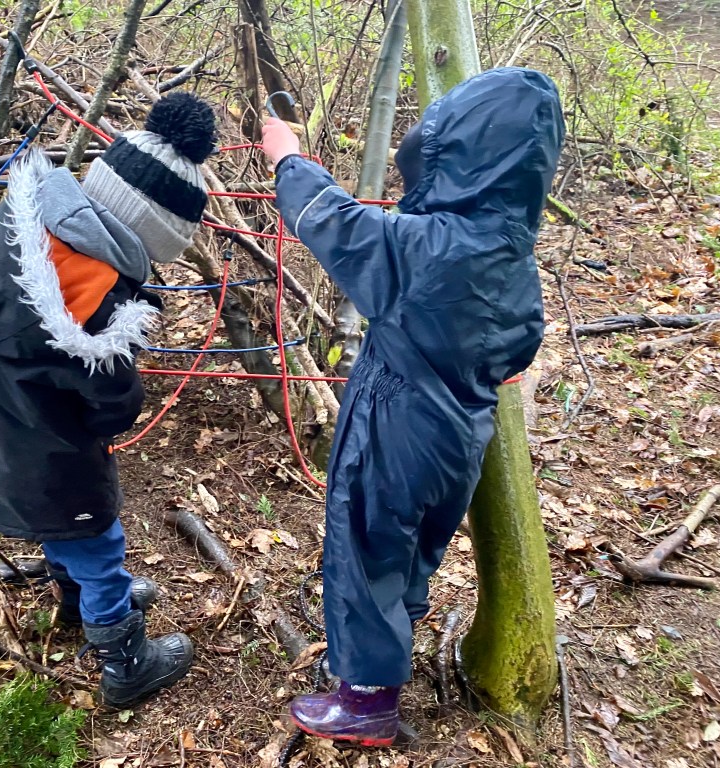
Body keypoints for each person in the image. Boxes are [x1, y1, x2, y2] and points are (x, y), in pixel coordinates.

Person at [259, 67, 565, 745]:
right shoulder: (512, 250)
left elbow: (334, 223)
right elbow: (521, 345)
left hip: (396, 431)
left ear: (464, 160)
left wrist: (287, 158)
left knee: (365, 550)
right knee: (409, 549)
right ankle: (394, 640)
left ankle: (366, 701)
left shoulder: (427, 250)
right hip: (461, 437)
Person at [0, 92, 218, 709]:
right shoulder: (93, 309)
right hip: (55, 462)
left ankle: (77, 604)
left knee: (65, 534)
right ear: (146, 237)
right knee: (98, 544)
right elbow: (114, 409)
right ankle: (125, 663)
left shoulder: (9, 233)